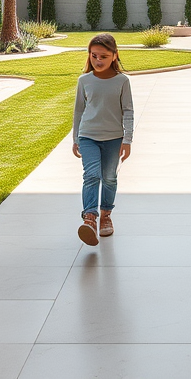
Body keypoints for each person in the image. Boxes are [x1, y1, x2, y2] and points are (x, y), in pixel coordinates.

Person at [72, 33, 133, 246]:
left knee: (109, 178)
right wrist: (75, 138)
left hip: (114, 138)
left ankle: (106, 214)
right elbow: (79, 111)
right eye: (94, 56)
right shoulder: (84, 80)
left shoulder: (122, 81)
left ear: (114, 56)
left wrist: (127, 139)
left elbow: (128, 111)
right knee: (91, 175)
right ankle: (90, 218)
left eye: (104, 56)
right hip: (88, 136)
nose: (98, 61)